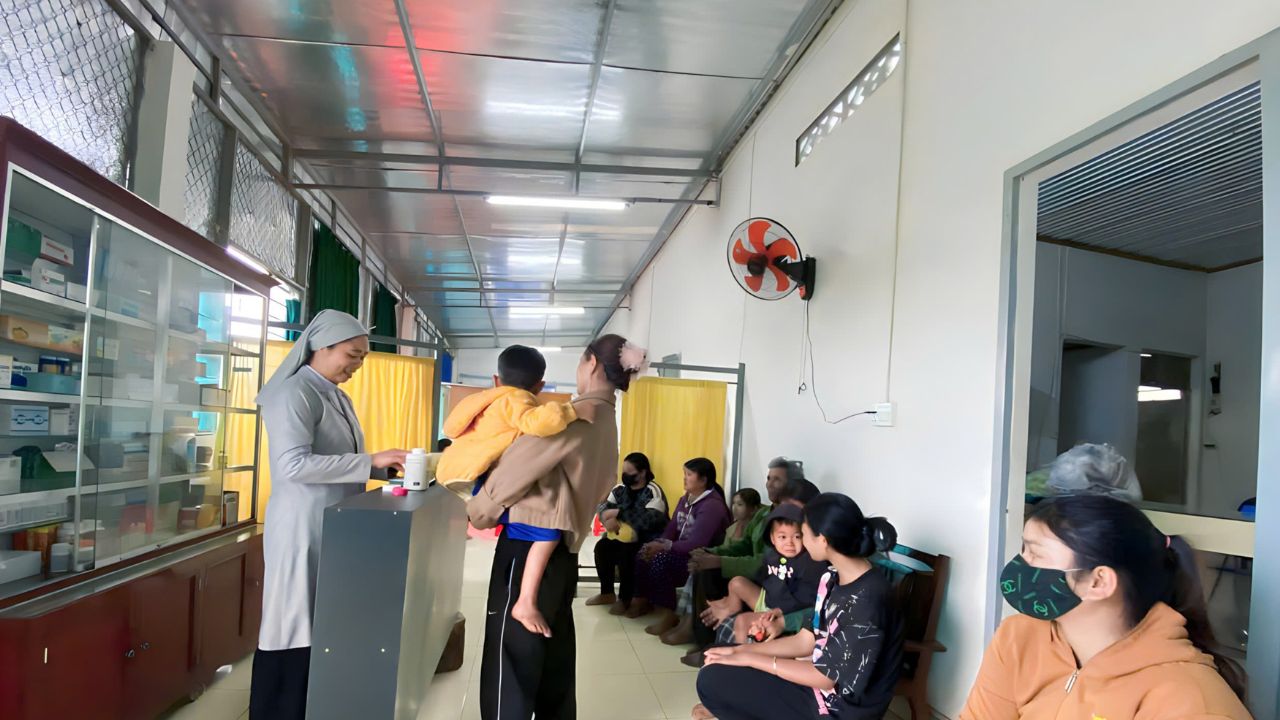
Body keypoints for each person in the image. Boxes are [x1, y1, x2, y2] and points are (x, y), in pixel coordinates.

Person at [467, 334, 646, 720]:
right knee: (554, 660)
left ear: (591, 363)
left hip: (525, 551)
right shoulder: (607, 421)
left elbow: (515, 470)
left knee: (511, 663)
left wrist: (478, 511)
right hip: (563, 554)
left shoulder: (573, 416)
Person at [960, 495, 1251, 720]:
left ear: (1099, 582)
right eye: (1023, 550)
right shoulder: (1020, 636)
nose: (1020, 566)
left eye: (1036, 554)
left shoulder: (1189, 701)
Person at [249, 310, 408, 720]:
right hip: (301, 526)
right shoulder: (294, 393)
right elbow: (292, 466)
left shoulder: (335, 394)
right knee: (292, 623)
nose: (357, 365)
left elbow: (338, 457)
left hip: (331, 523)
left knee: (320, 620)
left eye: (362, 358)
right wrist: (368, 461)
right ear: (322, 346)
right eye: (352, 355)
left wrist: (383, 468)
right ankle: (276, 709)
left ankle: (312, 704)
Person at [695, 493, 903, 720]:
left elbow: (825, 678)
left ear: (822, 540)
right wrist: (741, 650)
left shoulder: (867, 599)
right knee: (717, 660)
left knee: (712, 680)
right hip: (817, 685)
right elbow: (806, 640)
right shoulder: (832, 577)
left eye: (802, 534)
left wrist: (749, 658)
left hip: (837, 709)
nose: (800, 541)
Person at [436, 345, 578, 636]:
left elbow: (451, 428)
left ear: (496, 379)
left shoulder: (482, 400)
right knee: (549, 533)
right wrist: (569, 410)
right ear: (539, 386)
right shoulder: (518, 399)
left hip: (459, 472)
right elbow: (540, 424)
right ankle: (525, 602)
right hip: (484, 478)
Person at [677, 458, 804, 649]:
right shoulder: (763, 514)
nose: (769, 484)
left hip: (767, 578)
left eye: (777, 479)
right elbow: (744, 545)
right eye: (768, 478)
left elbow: (765, 561)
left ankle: (707, 644)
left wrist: (720, 561)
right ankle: (695, 632)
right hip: (754, 571)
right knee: (703, 566)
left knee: (712, 571)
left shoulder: (791, 522)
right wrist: (711, 552)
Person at [629, 458, 732, 636]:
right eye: (684, 474)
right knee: (644, 552)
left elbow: (697, 543)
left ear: (703, 480)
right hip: (680, 551)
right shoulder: (685, 499)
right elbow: (671, 530)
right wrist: (658, 544)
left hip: (700, 557)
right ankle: (642, 601)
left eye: (689, 475)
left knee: (661, 560)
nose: (684, 478)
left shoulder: (712, 505)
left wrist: (664, 547)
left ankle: (670, 613)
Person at [700, 503, 827, 646]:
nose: (789, 543)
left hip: (786, 611)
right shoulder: (772, 555)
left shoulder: (809, 562)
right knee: (737, 583)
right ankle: (731, 608)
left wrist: (781, 611)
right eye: (782, 537)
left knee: (742, 621)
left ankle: (742, 652)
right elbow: (762, 577)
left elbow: (807, 598)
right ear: (772, 538)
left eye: (797, 537)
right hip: (768, 600)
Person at [664, 488, 762, 644]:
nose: (735, 508)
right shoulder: (733, 527)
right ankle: (687, 621)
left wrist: (717, 559)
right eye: (734, 504)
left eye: (740, 505)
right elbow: (735, 548)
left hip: (744, 572)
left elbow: (755, 559)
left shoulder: (758, 522)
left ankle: (698, 632)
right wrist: (707, 552)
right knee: (699, 567)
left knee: (706, 571)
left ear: (754, 509)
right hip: (733, 565)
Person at [586, 452, 669, 615]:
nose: (625, 476)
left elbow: (650, 519)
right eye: (624, 472)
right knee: (602, 547)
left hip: (646, 539)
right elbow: (603, 508)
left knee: (627, 553)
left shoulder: (653, 490)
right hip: (620, 536)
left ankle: (625, 598)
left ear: (642, 473)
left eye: (630, 473)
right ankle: (607, 593)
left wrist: (618, 513)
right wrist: (606, 520)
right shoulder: (619, 490)